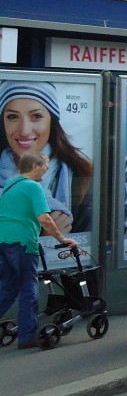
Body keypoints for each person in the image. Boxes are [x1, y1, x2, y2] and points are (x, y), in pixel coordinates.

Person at [0, 152, 77, 349]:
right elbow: (44, 218)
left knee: (8, 287)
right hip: (22, 243)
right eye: (44, 165)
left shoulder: (11, 184)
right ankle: (27, 337)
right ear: (35, 166)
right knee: (29, 290)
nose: (47, 169)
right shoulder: (33, 186)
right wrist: (62, 238)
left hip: (4, 241)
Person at [0, 81, 94, 233]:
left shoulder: (82, 175)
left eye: (36, 116)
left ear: (52, 120)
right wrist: (42, 235)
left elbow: (90, 246)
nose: (24, 130)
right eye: (12, 117)